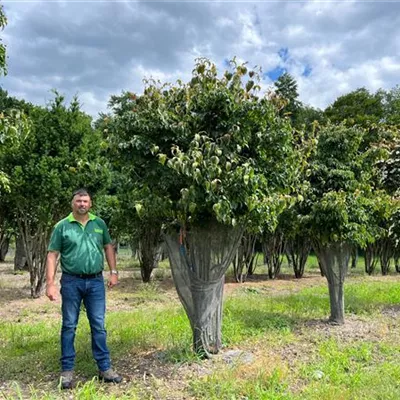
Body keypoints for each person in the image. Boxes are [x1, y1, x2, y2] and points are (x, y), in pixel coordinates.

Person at [46, 188, 122, 389]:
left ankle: (105, 368)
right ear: (73, 203)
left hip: (96, 282)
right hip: (72, 282)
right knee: (69, 325)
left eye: (85, 201)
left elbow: (108, 246)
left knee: (98, 324)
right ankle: (67, 372)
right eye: (79, 201)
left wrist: (113, 272)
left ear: (91, 204)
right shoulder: (62, 226)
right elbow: (52, 254)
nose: (82, 204)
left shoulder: (99, 224)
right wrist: (50, 283)